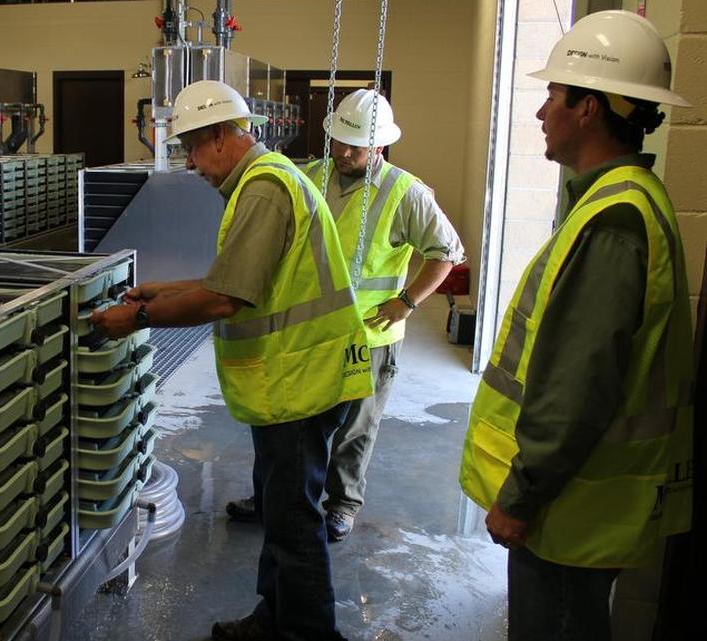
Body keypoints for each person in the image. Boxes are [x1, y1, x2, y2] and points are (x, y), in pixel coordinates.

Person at [91, 79, 373, 641]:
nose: (192, 164)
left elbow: (227, 297)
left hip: (302, 380)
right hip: (291, 382)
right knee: (280, 509)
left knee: (293, 521)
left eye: (193, 147)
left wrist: (138, 319)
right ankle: (275, 618)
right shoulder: (261, 184)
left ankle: (309, 633)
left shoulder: (264, 188)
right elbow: (239, 279)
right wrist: (163, 290)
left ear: (222, 135)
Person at [459, 11, 694, 641]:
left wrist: (521, 496)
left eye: (553, 95)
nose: (541, 112)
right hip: (581, 501)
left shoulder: (614, 222)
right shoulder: (621, 199)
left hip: (571, 509)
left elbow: (577, 385)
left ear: (589, 109)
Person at [225, 89, 466, 541]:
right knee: (287, 424)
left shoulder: (405, 193)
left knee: (356, 426)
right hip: (309, 332)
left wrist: (407, 302)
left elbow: (446, 253)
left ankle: (342, 505)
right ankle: (271, 499)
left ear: (379, 146)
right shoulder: (312, 174)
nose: (342, 152)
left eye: (353, 146)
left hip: (369, 337)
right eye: (336, 141)